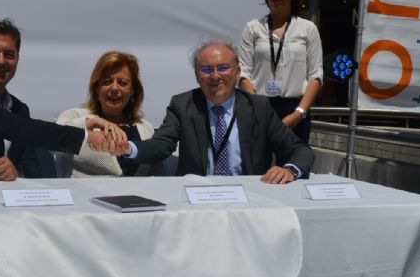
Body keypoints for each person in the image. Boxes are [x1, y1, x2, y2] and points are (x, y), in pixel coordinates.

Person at [0, 17, 125, 181]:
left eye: (9, 54)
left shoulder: (17, 108)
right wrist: (86, 137)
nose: (0, 61)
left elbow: (32, 163)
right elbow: (16, 128)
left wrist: (15, 172)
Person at [123, 40, 314, 184]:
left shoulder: (258, 107)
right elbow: (161, 144)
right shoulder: (183, 105)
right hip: (198, 198)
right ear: (197, 77)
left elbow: (300, 150)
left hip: (248, 197)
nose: (215, 76)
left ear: (237, 72)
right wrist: (128, 148)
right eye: (206, 70)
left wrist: (290, 170)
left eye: (223, 68)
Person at [237, 0, 323, 144]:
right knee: (257, 169)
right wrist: (257, 109)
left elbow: (316, 76)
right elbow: (243, 73)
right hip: (260, 108)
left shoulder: (308, 29)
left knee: (292, 168)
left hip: (295, 109)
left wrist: (299, 114)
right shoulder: (253, 28)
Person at [56, 51, 157, 177]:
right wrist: (89, 123)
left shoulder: (146, 128)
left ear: (132, 91)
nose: (114, 88)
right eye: (107, 82)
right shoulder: (74, 116)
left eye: (122, 83)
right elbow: (52, 143)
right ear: (97, 89)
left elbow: (156, 175)